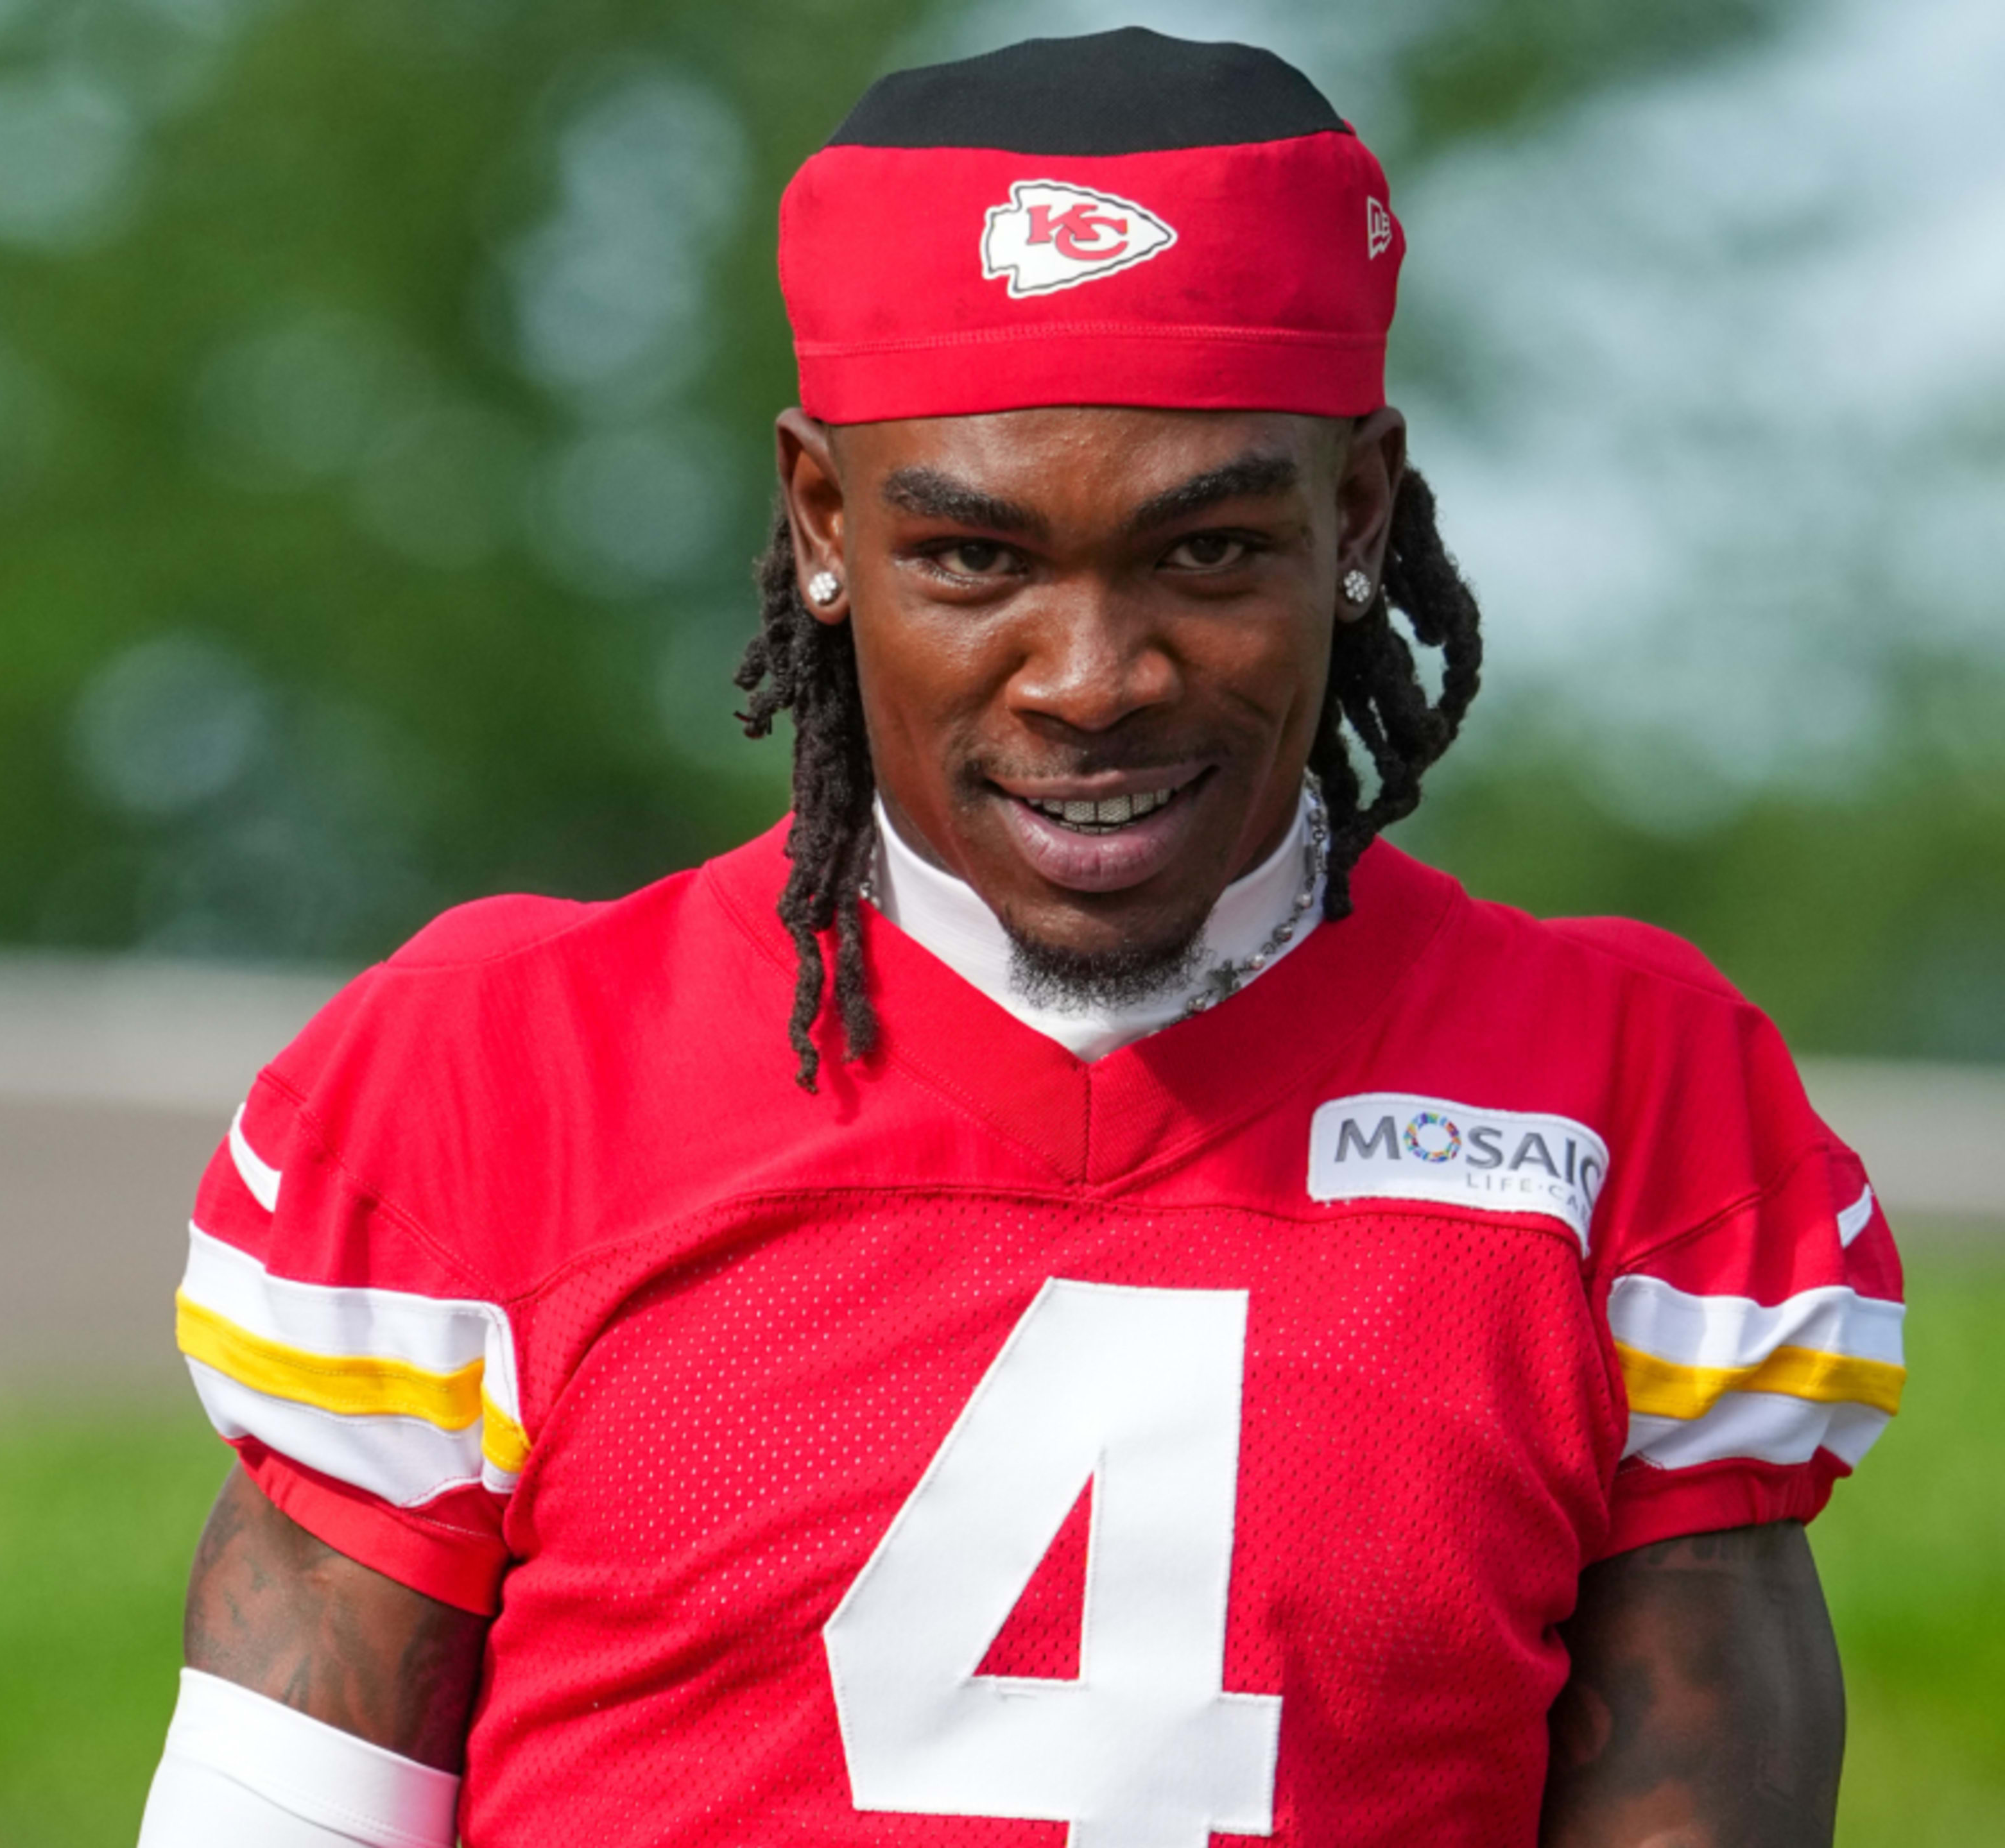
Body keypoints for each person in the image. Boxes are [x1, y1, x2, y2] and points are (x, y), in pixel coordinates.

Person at [137, 31, 1903, 1848]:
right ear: (825, 522)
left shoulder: (1630, 1098)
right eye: (976, 562)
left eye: (1208, 555)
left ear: (1355, 514)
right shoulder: (493, 1075)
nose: (1092, 682)